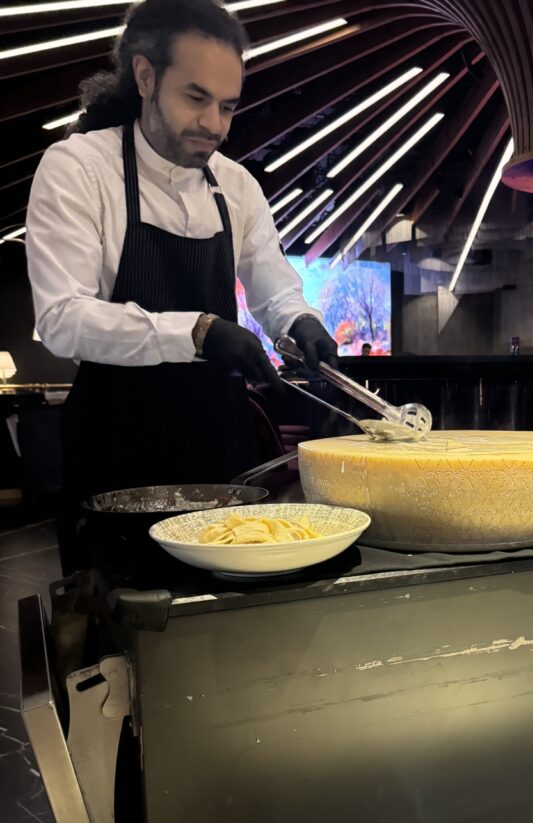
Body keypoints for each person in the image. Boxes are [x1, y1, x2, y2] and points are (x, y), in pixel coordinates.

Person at [25, 0, 337, 518]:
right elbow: (62, 320)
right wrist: (198, 333)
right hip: (116, 450)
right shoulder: (79, 167)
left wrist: (300, 321)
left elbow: (274, 288)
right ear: (145, 77)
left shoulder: (236, 185)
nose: (214, 124)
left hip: (220, 446)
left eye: (228, 107)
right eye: (196, 98)